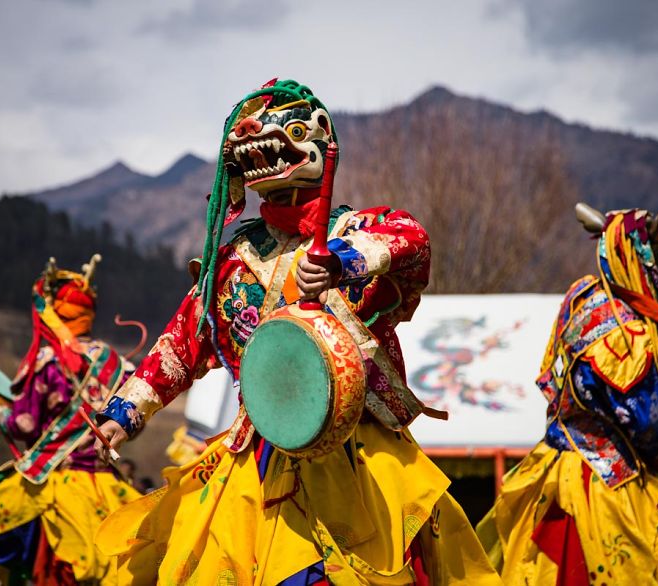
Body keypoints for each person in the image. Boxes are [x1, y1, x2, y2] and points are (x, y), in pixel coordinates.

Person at [94, 79, 502, 585]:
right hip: (260, 451)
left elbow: (413, 244)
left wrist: (344, 263)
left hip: (360, 450)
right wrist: (124, 415)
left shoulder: (357, 230)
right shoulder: (232, 264)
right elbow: (181, 344)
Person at [476, 206, 658, 584]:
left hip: (554, 462)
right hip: (609, 484)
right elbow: (648, 424)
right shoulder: (629, 334)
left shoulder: (581, 296)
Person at [0, 255, 140, 585]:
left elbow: (25, 425)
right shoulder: (118, 365)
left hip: (57, 484)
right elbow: (133, 421)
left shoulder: (49, 361)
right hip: (108, 488)